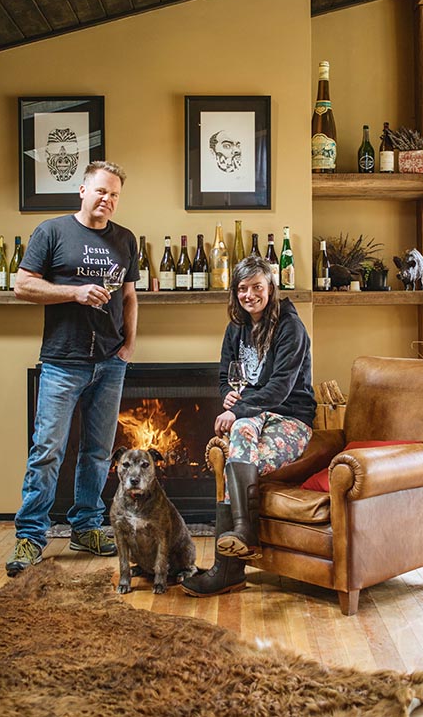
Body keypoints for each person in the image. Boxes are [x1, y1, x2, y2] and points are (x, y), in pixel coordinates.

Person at [5, 161, 139, 576]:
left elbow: (130, 296)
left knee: (98, 453)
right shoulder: (52, 232)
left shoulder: (125, 239)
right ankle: (30, 537)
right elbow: (22, 285)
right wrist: (74, 293)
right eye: (101, 191)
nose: (107, 200)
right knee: (48, 451)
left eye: (114, 194)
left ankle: (85, 527)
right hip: (63, 361)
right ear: (82, 190)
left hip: (110, 363)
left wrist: (128, 347)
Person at [182, 256, 316, 597]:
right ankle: (243, 532)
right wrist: (229, 398)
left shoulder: (291, 328)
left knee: (238, 445)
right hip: (252, 416)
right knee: (240, 432)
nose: (250, 295)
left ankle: (226, 570)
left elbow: (281, 388)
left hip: (289, 418)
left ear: (271, 288)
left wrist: (238, 408)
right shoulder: (236, 328)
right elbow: (225, 376)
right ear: (235, 293)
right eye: (242, 288)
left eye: (257, 287)